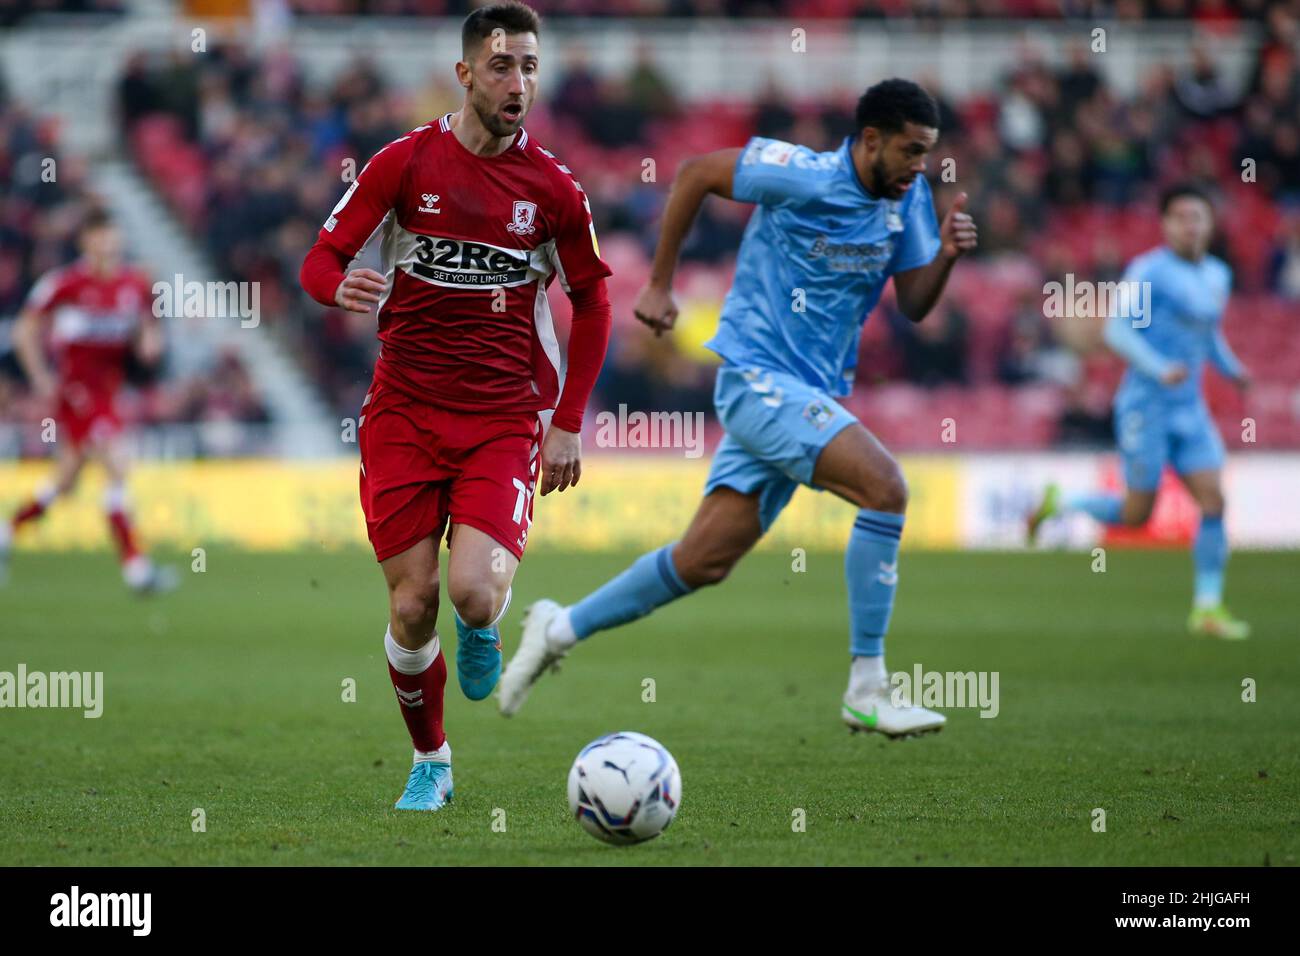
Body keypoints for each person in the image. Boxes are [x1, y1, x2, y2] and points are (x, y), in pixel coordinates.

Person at [500, 79, 978, 737]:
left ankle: (557, 627)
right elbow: (697, 173)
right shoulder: (801, 175)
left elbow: (917, 303)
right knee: (886, 488)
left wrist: (947, 254)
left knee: (701, 561)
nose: (920, 166)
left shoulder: (908, 200)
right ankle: (868, 686)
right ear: (871, 140)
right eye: (911, 150)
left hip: (807, 395)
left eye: (927, 153)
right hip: (759, 380)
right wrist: (661, 285)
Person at [298, 1, 612, 810]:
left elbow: (595, 300)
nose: (520, 83)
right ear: (465, 74)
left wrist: (569, 420)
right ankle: (431, 759)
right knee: (411, 605)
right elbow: (321, 257)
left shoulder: (553, 190)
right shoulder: (403, 165)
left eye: (532, 68)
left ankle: (484, 622)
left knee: (472, 593)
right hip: (402, 411)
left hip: (504, 420)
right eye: (504, 67)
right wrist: (337, 286)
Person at [1028, 184, 1251, 640]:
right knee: (1136, 515)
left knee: (1214, 501)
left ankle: (1207, 609)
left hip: (1190, 409)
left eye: (1198, 217)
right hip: (1146, 406)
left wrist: (1233, 369)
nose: (1191, 225)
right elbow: (1117, 331)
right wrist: (1158, 366)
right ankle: (1061, 503)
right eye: (1181, 217)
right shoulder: (1149, 273)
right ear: (1166, 224)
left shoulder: (1217, 276)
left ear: (1210, 224)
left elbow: (1207, 336)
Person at [1, 208, 173, 593]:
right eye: (100, 236)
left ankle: (5, 533)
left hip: (109, 392)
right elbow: (25, 332)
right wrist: (41, 377)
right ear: (86, 242)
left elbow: (147, 342)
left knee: (67, 480)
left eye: (113, 236)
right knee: (117, 463)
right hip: (76, 391)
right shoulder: (64, 284)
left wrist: (151, 337)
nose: (109, 244)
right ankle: (137, 569)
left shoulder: (133, 284)